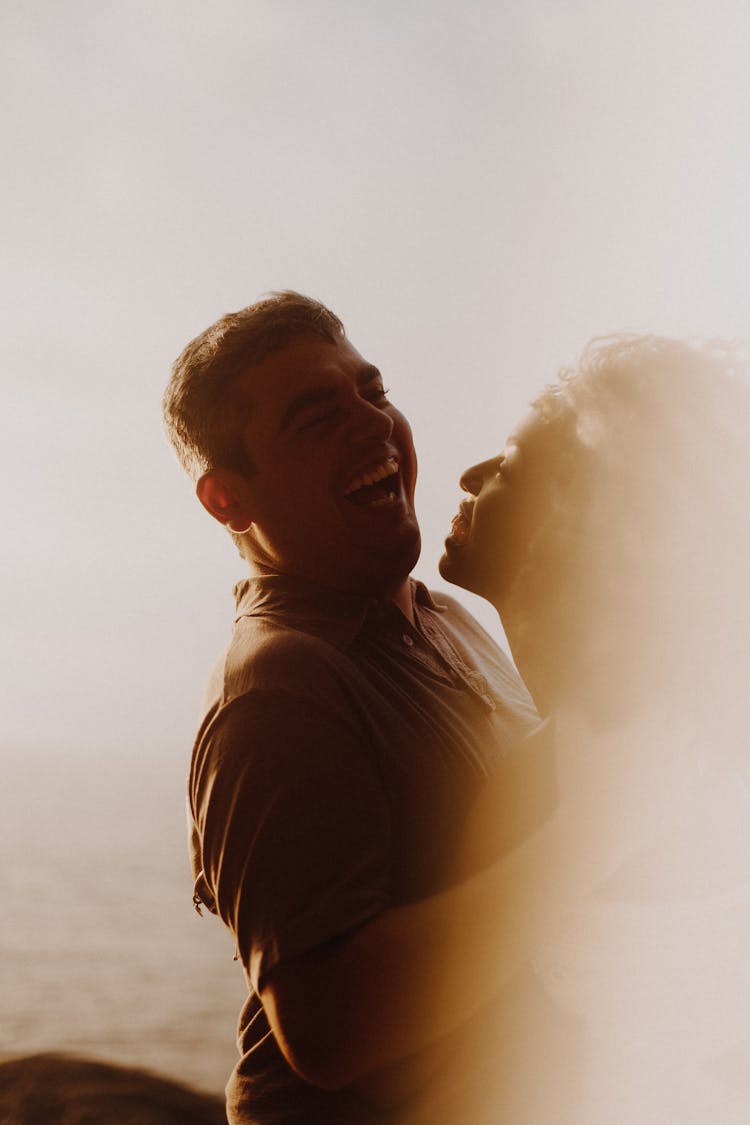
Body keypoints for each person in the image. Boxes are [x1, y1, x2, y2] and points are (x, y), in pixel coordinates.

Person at [162, 291, 553, 1125]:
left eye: (372, 393)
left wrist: (527, 594)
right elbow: (329, 1031)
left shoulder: (443, 614)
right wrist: (584, 843)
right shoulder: (276, 688)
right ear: (228, 499)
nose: (373, 425)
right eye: (315, 418)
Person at [440, 334, 750, 1124]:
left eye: (506, 466)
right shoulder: (614, 725)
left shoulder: (620, 755)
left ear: (576, 512)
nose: (468, 476)